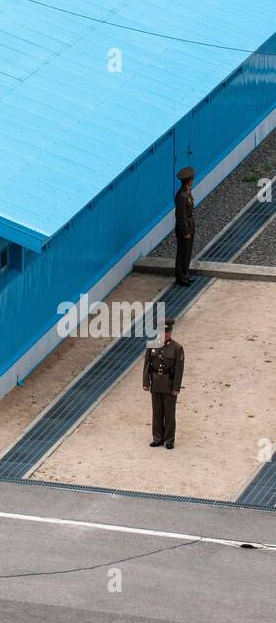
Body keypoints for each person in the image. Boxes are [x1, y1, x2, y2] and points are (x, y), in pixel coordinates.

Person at [142, 317, 184, 449]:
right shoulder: (152, 345)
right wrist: (146, 382)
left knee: (169, 414)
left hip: (169, 384)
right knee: (157, 413)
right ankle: (157, 438)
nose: (164, 334)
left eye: (167, 332)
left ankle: (169, 440)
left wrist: (176, 387)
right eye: (162, 332)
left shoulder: (177, 348)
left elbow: (179, 369)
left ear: (170, 332)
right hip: (156, 383)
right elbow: (147, 365)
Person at [174, 166, 195, 285]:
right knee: (182, 253)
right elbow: (181, 216)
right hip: (184, 228)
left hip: (190, 225)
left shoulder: (187, 192)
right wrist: (185, 232)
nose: (193, 180)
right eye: (191, 179)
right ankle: (181, 278)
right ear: (189, 180)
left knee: (187, 252)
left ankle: (185, 275)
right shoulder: (181, 196)